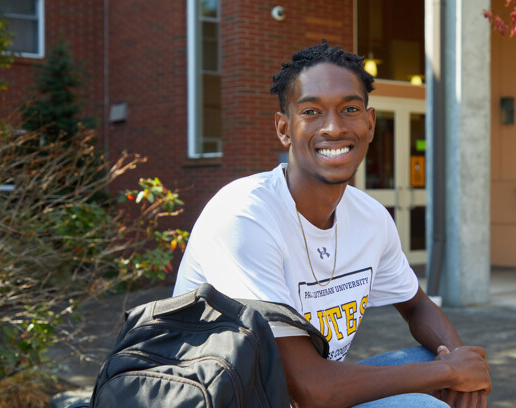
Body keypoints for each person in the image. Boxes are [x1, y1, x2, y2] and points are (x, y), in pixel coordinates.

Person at [173, 41, 491, 408]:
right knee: (429, 398)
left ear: (369, 123)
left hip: (309, 392)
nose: (334, 127)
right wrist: (451, 372)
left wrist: (461, 364)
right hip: (227, 398)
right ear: (284, 128)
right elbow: (310, 389)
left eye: (350, 109)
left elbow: (417, 305)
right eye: (311, 111)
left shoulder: (371, 218)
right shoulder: (244, 216)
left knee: (437, 370)